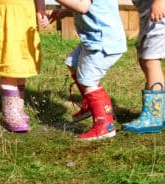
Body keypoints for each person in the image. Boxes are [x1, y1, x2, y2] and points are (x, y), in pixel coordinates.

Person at [49, 0, 127, 140]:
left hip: (102, 43)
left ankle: (105, 126)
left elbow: (83, 6)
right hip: (95, 40)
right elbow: (93, 7)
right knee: (73, 63)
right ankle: (90, 106)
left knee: (88, 81)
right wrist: (66, 11)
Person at [0, 0, 49, 132]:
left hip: (25, 21)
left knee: (21, 66)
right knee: (9, 66)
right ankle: (10, 114)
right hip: (4, 21)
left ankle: (17, 108)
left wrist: (41, 11)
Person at [122, 0, 165, 133]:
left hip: (161, 10)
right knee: (145, 59)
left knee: (151, 60)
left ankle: (153, 116)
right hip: (149, 12)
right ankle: (162, 113)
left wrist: (159, 2)